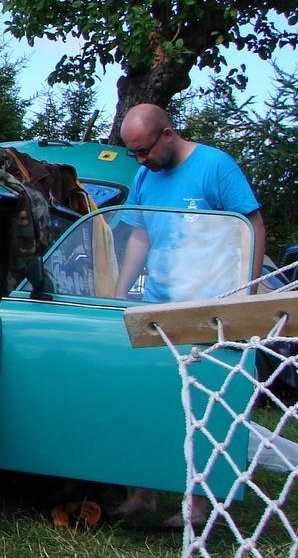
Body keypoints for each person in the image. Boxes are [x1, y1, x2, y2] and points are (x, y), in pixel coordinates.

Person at [112, 102, 265, 527]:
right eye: (133, 154)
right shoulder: (145, 176)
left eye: (144, 151)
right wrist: (120, 294)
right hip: (157, 305)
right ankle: (142, 493)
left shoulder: (216, 167)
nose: (140, 161)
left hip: (209, 309)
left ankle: (196, 502)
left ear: (167, 134)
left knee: (200, 406)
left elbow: (253, 226)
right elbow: (140, 236)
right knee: (148, 398)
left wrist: (246, 296)